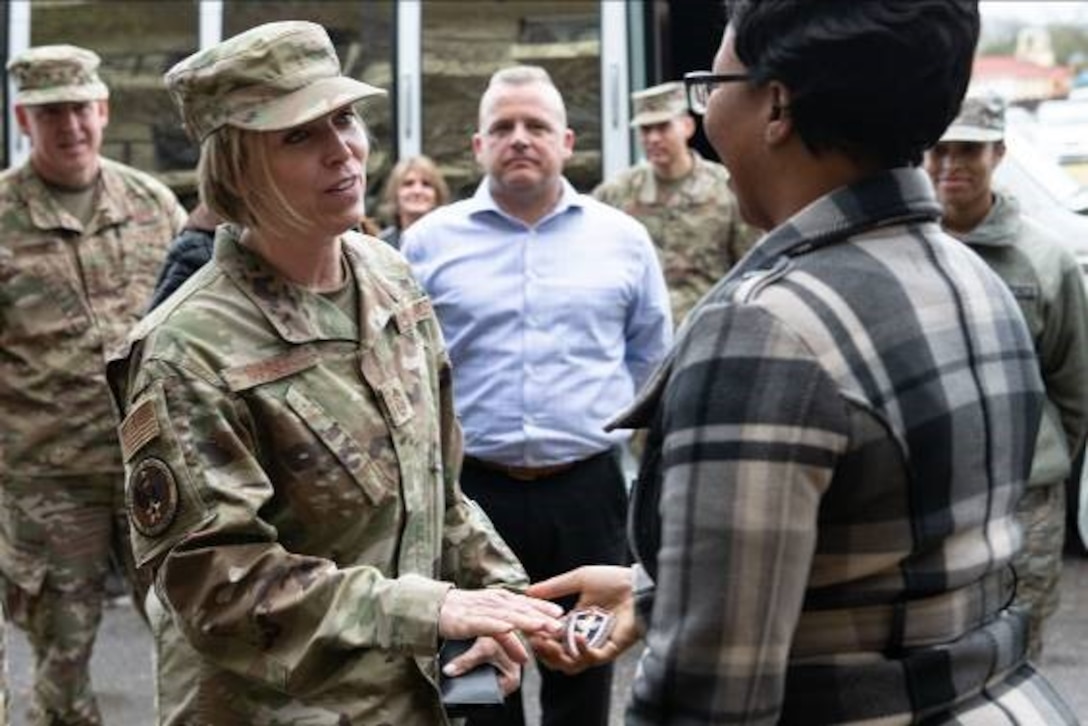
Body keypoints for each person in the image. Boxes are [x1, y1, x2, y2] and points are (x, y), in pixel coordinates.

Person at [529, 1, 1080, 723]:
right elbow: (883, 562)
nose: (707, 117)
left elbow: (707, 700)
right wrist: (665, 587)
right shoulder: (974, 280)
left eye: (712, 84)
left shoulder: (765, 333)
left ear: (777, 103)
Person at [105, 22, 562, 724]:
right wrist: (432, 608)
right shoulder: (185, 346)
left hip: (404, 701)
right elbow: (218, 585)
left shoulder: (389, 278)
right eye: (299, 135)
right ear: (236, 166)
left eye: (345, 118)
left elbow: (440, 491)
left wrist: (501, 599)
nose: (342, 150)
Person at [401, 66, 671, 726]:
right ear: (477, 146)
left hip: (587, 496)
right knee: (478, 681)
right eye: (503, 127)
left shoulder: (623, 240)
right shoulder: (429, 243)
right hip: (470, 497)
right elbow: (402, 365)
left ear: (568, 141)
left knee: (581, 676)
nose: (520, 138)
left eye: (537, 126)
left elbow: (653, 361)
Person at [0, 44, 186, 725]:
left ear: (102, 110)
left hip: (153, 471)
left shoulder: (152, 204)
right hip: (49, 483)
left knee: (190, 635)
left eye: (80, 108)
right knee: (62, 654)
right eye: (52, 113)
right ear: (25, 118)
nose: (69, 126)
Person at [924, 95, 1088, 659]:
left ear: (999, 152)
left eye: (968, 149)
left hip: (1023, 497)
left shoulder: (1044, 259)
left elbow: (1073, 384)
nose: (951, 165)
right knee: (932, 649)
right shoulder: (903, 249)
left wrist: (1038, 456)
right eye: (939, 150)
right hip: (926, 491)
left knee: (1017, 645)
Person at [593, 80, 758, 325]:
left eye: (663, 127)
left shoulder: (726, 188)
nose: (653, 138)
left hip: (705, 329)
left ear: (687, 127)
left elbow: (751, 267)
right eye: (645, 130)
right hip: (639, 333)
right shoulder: (617, 192)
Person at [378, 154, 451, 249]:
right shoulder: (381, 245)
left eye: (426, 184)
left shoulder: (451, 241)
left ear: (437, 195)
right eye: (408, 184)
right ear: (395, 194)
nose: (417, 191)